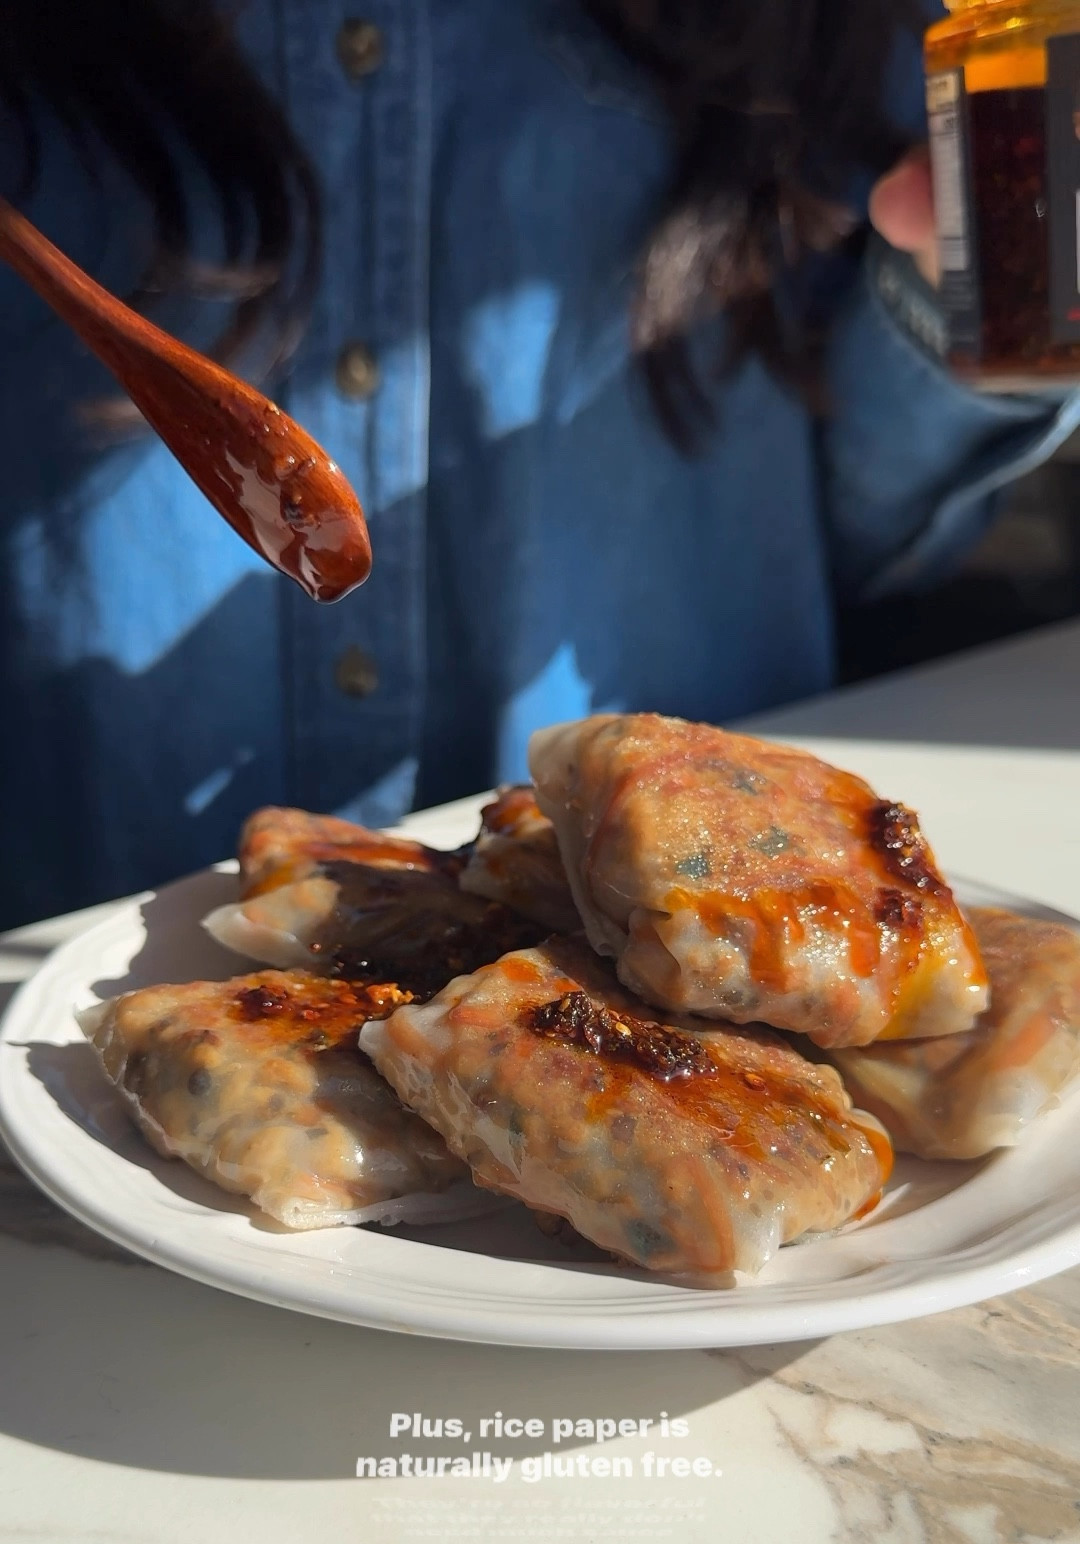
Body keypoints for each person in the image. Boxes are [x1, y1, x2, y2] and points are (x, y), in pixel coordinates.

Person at [0, 0, 1076, 930]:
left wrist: (971, 293)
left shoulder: (844, 26)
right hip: (72, 939)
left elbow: (870, 535)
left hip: (717, 944)